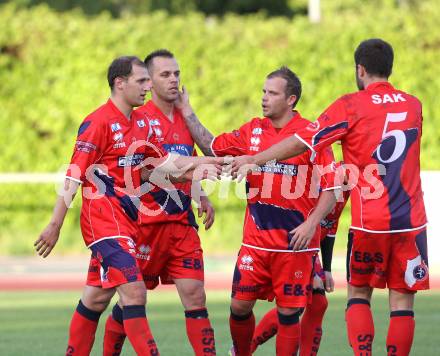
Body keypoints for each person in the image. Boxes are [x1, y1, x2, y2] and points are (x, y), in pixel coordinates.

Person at [231, 38, 429, 355]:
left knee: (358, 295)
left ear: (359, 69)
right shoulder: (414, 104)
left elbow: (302, 142)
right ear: (389, 68)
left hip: (369, 222)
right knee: (402, 302)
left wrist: (255, 159)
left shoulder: (350, 105)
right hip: (412, 221)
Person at [35, 56, 223, 355]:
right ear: (119, 83)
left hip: (129, 223)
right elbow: (73, 174)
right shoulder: (98, 122)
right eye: (142, 81)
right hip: (104, 224)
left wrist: (208, 163)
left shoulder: (141, 124)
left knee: (95, 299)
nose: (148, 87)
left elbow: (163, 164)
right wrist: (55, 225)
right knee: (134, 293)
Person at [179, 66, 341, 355]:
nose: (264, 98)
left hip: (294, 244)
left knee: (290, 314)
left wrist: (311, 224)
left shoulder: (311, 136)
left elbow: (332, 190)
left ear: (291, 99)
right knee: (239, 307)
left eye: (272, 93)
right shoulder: (253, 129)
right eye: (264, 92)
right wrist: (187, 111)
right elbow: (213, 147)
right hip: (255, 244)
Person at [103, 49, 216, 356]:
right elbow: (144, 171)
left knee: (195, 296)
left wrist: (200, 193)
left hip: (180, 225)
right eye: (165, 75)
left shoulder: (183, 116)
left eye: (177, 74)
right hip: (145, 225)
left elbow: (203, 154)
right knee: (130, 300)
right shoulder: (139, 118)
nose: (174, 80)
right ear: (148, 81)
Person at [250, 183, 350, 355]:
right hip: (293, 242)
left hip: (312, 247)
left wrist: (327, 269)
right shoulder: (319, 180)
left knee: (316, 304)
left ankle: (242, 348)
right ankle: (245, 347)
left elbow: (331, 225)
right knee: (304, 303)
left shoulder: (346, 188)